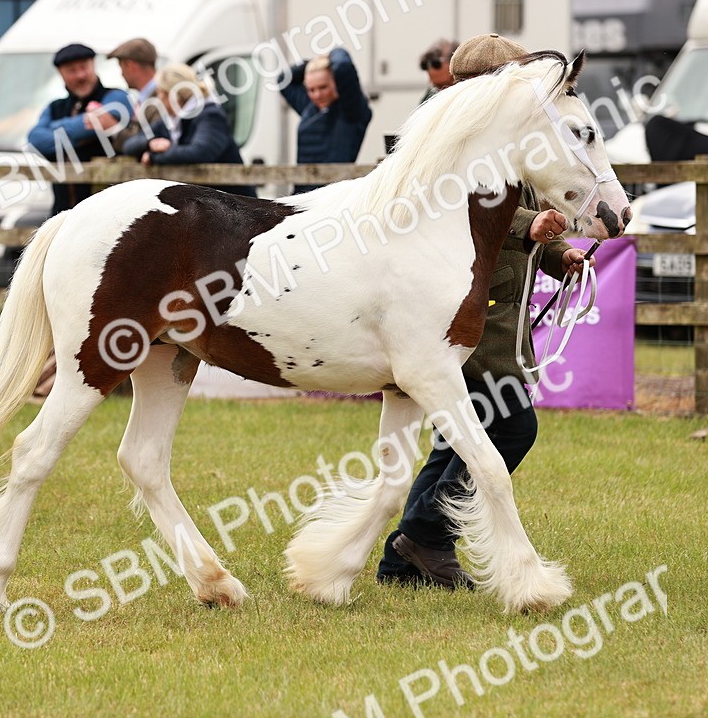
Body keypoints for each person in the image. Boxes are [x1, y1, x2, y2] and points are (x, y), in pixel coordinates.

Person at [376, 33, 591, 590]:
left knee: (459, 433)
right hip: (463, 309)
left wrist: (557, 254)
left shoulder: (509, 136)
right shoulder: (447, 137)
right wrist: (528, 228)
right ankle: (424, 534)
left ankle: (404, 561)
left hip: (492, 303)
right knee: (513, 424)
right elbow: (460, 210)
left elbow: (521, 216)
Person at [27, 43, 135, 215]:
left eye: (84, 67)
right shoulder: (55, 107)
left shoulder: (116, 97)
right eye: (71, 70)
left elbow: (90, 126)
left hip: (108, 213)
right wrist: (81, 131)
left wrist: (54, 129)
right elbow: (35, 140)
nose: (80, 75)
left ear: (94, 65)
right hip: (62, 214)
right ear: (60, 73)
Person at [122, 64, 256, 198]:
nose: (159, 100)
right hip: (210, 204)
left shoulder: (210, 115)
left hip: (236, 205)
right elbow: (128, 144)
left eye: (160, 94)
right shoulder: (171, 120)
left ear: (174, 96)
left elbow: (199, 152)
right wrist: (151, 143)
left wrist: (154, 157)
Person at [277, 47, 372, 193]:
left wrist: (330, 55)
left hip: (332, 197)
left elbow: (343, 67)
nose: (317, 95)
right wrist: (312, 64)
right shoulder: (309, 107)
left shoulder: (351, 110)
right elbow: (283, 80)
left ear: (336, 83)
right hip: (301, 195)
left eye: (323, 87)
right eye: (311, 89)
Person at [109, 37, 163, 128]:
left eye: (121, 68)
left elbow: (147, 138)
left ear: (130, 66)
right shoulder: (154, 96)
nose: (122, 74)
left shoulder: (160, 98)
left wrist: (112, 126)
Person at [419, 37, 457, 103]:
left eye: (445, 86)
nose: (441, 91)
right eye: (437, 87)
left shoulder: (472, 94)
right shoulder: (429, 100)